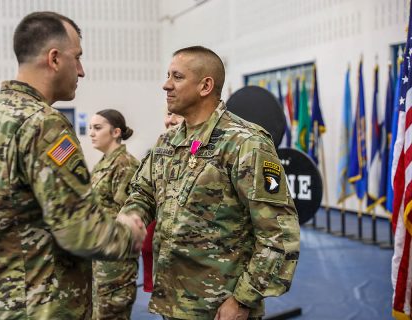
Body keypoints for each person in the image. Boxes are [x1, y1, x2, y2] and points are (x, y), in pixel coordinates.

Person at [0, 11, 146, 319]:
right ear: (54, 59)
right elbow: (79, 231)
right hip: (43, 305)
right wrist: (128, 234)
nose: (81, 71)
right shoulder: (43, 124)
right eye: (77, 58)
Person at [118, 46, 300, 320]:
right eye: (168, 75)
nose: (166, 85)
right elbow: (143, 192)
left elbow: (279, 234)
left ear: (205, 86)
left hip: (220, 308)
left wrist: (243, 300)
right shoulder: (168, 142)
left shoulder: (246, 143)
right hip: (173, 302)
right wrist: (130, 218)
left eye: (177, 77)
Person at [88, 109, 140, 319]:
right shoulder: (103, 163)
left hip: (115, 262)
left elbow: (129, 214)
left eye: (98, 128)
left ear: (116, 132)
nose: (91, 133)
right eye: (90, 128)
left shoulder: (125, 165)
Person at [141, 110, 183, 293]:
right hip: (167, 272)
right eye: (168, 114)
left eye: (177, 114)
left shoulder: (230, 146)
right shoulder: (162, 149)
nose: (170, 121)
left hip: (211, 284)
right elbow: (143, 192)